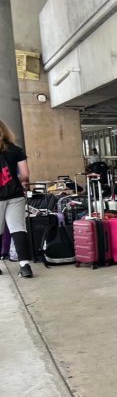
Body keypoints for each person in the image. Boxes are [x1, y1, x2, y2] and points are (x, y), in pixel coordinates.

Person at [0, 119, 34, 278]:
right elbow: (25, 175)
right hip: (16, 195)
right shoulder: (15, 149)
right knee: (18, 229)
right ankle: (25, 266)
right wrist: (14, 181)